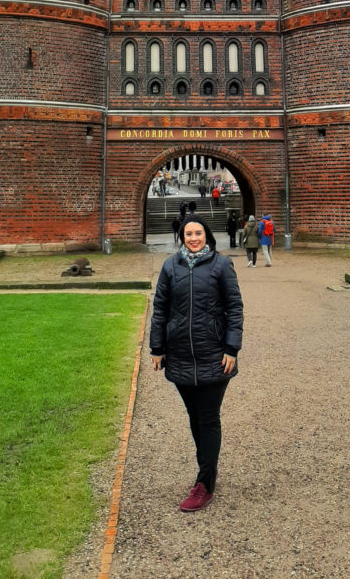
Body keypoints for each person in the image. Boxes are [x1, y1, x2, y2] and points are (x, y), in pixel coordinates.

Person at [150, 214, 243, 512]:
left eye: (198, 233)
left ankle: (205, 483)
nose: (193, 238)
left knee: (207, 417)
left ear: (207, 235)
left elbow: (234, 309)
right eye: (188, 233)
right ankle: (207, 470)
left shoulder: (221, 265)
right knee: (194, 417)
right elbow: (160, 308)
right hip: (179, 355)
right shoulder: (169, 266)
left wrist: (231, 348)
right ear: (182, 236)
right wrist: (157, 347)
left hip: (213, 355)